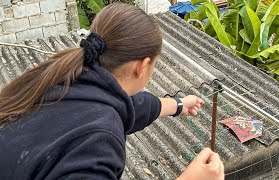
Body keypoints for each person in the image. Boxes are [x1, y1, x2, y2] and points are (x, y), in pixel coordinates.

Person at [0, 3, 224, 180]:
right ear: (142, 66)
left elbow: (130, 105)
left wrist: (178, 105)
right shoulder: (98, 144)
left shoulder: (58, 78)